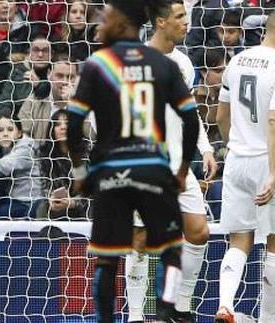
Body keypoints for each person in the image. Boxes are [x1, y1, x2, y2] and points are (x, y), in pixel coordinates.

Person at [65, 1, 200, 322]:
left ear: (123, 22)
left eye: (108, 16)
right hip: (154, 171)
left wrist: (81, 171)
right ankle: (167, 309)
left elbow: (72, 126)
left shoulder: (99, 64)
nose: (103, 20)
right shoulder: (161, 64)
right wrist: (181, 171)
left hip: (112, 173)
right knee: (171, 250)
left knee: (107, 260)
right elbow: (191, 120)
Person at [125, 2, 217, 322]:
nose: (187, 23)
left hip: (179, 165)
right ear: (161, 22)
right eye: (180, 17)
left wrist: (205, 148)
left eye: (186, 16)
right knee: (139, 239)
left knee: (199, 232)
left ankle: (180, 307)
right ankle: (135, 315)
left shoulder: (182, 63)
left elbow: (188, 112)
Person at [214, 11, 275, 323]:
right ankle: (267, 318)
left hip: (236, 159)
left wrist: (232, 146)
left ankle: (225, 305)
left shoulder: (236, 62)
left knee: (239, 240)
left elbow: (220, 117)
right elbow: (273, 121)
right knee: (274, 243)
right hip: (267, 161)